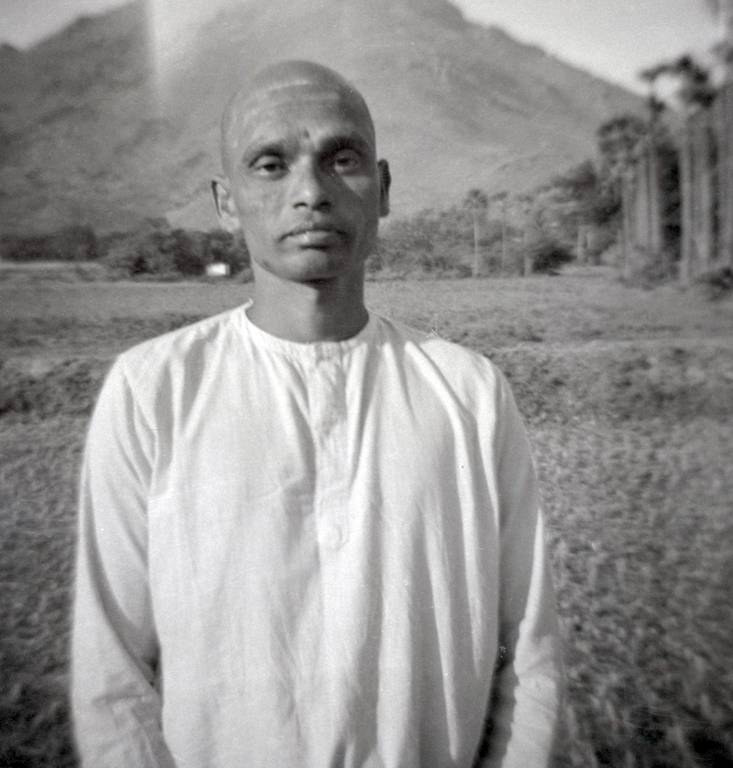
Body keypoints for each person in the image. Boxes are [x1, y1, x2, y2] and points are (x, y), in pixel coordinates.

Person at [71, 60, 563, 768]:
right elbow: (111, 676)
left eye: (342, 159)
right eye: (271, 165)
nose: (311, 192)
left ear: (382, 189)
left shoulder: (470, 393)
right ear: (226, 202)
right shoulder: (153, 390)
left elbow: (532, 655)